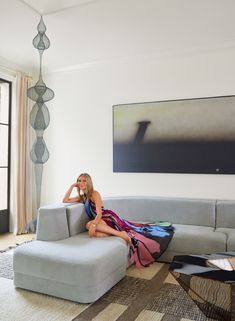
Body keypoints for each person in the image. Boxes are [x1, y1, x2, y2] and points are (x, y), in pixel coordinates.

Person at [63, 173, 174, 267]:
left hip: (105, 217)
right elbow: (65, 200)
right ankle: (117, 233)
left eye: (83, 181)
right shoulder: (83, 197)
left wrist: (93, 225)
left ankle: (120, 234)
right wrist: (72, 186)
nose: (81, 183)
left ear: (88, 182)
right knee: (100, 235)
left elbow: (99, 213)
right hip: (99, 221)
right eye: (79, 181)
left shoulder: (94, 193)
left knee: (88, 225)